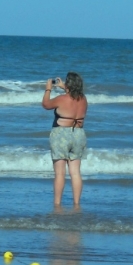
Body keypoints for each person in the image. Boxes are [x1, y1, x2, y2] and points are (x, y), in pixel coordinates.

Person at [42, 71, 88, 207]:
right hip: (79, 134)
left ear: (69, 84)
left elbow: (45, 104)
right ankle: (77, 204)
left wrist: (48, 88)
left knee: (60, 173)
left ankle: (57, 204)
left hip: (61, 134)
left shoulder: (62, 99)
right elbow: (73, 97)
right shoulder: (83, 99)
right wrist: (64, 87)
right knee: (75, 172)